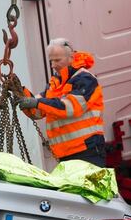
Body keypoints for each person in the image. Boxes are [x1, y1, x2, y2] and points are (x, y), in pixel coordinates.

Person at [17, 38, 106, 167]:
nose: (53, 65)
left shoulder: (85, 79)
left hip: (87, 151)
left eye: (57, 60)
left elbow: (69, 107)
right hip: (66, 154)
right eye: (51, 61)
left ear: (71, 57)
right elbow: (38, 111)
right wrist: (20, 92)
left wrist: (36, 102)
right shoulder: (56, 83)